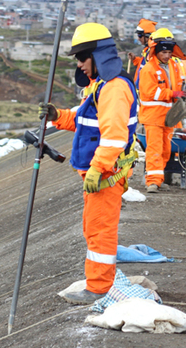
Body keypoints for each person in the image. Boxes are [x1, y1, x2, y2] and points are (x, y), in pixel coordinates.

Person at [39, 23, 138, 304]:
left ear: (97, 55)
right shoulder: (101, 85)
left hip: (105, 175)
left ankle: (98, 288)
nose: (80, 65)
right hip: (98, 175)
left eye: (82, 58)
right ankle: (99, 282)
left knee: (100, 230)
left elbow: (115, 136)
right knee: (93, 228)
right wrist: (58, 115)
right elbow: (85, 122)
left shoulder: (115, 89)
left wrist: (97, 168)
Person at [138, 28, 186, 193]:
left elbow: (179, 83)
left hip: (169, 117)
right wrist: (173, 93)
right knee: (154, 149)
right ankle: (152, 182)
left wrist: (181, 92)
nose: (166, 55)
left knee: (165, 149)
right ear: (156, 51)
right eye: (163, 52)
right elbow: (151, 93)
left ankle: (158, 179)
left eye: (168, 52)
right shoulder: (148, 70)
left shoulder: (174, 65)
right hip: (153, 117)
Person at [127, 18, 157, 88]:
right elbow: (143, 64)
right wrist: (134, 59)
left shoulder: (153, 52)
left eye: (140, 35)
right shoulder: (147, 50)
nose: (138, 38)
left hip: (145, 90)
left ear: (148, 36)